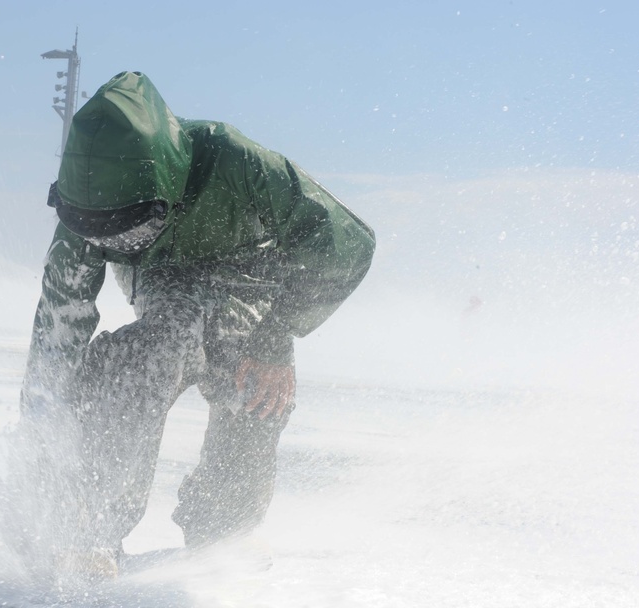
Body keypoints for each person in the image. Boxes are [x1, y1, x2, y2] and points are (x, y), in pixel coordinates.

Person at [20, 72, 376, 570]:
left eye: (132, 228)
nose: (118, 244)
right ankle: (88, 522)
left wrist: (276, 337)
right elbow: (60, 320)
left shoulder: (234, 158)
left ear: (167, 183)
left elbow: (344, 242)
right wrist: (44, 425)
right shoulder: (90, 209)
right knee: (162, 345)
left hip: (250, 270)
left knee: (250, 373)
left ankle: (224, 526)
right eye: (100, 235)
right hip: (162, 278)